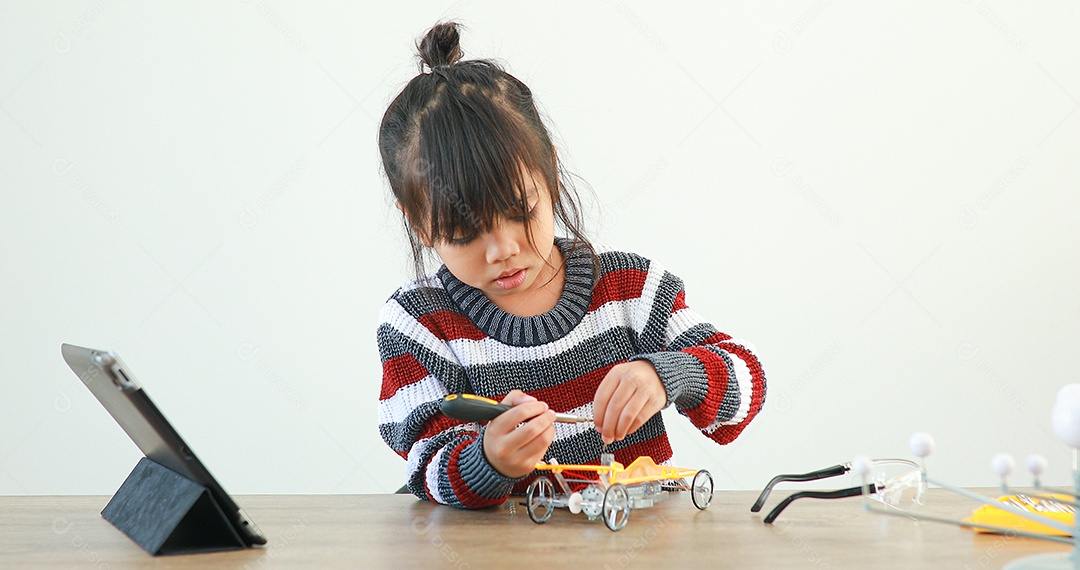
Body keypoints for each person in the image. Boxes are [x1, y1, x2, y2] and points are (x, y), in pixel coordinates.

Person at [376, 21, 765, 509]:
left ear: (552, 175)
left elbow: (746, 386)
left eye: (521, 213)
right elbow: (426, 467)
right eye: (464, 232)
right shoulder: (419, 325)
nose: (503, 250)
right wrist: (489, 459)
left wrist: (668, 376)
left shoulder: (631, 290)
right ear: (418, 223)